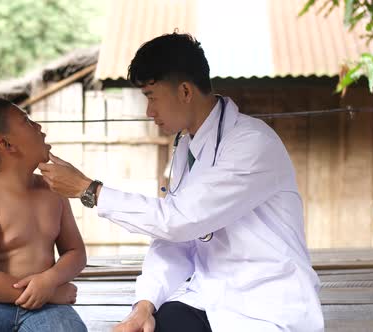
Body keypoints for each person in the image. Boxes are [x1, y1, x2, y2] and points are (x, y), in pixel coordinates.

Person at [38, 33, 324, 332]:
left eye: (151, 97)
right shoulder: (188, 148)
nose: (149, 112)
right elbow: (176, 240)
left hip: (266, 304)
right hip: (210, 297)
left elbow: (179, 221)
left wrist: (90, 191)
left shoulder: (251, 143)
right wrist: (144, 305)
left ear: (185, 91)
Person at [0, 98, 88, 332]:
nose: (39, 127)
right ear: (7, 144)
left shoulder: (54, 193)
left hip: (45, 303)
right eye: (27, 122)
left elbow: (76, 252)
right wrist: (53, 293)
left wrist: (49, 282)